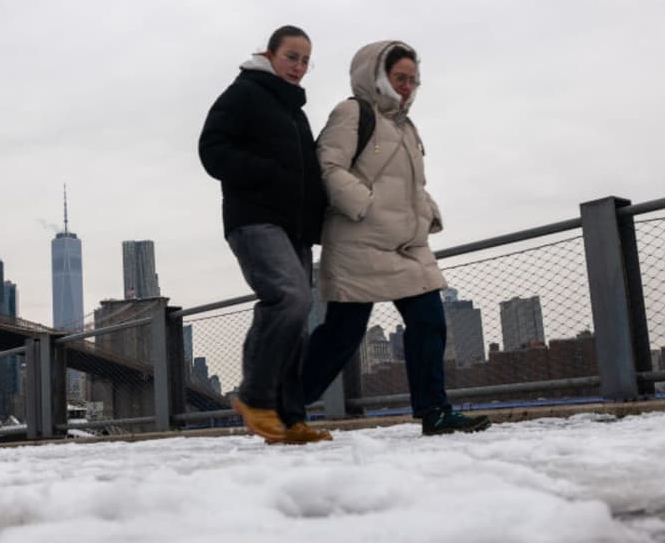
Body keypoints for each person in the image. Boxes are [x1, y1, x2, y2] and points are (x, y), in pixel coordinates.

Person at [303, 41, 490, 435]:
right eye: (398, 78)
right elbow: (327, 164)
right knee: (342, 334)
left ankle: (434, 411)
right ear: (375, 76)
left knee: (430, 322)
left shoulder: (406, 128)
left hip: (408, 246)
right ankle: (284, 402)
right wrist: (364, 205)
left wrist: (427, 212)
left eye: (412, 80)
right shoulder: (352, 112)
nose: (406, 86)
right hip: (360, 240)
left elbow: (410, 185)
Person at [198, 25, 332, 444]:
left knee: (297, 314)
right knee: (288, 298)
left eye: (306, 60)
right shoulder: (244, 93)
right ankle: (255, 398)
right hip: (254, 218)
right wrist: (267, 176)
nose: (299, 66)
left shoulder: (295, 112)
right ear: (270, 54)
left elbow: (308, 174)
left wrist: (318, 217)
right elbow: (212, 149)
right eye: (292, 56)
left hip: (293, 226)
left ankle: (289, 418)